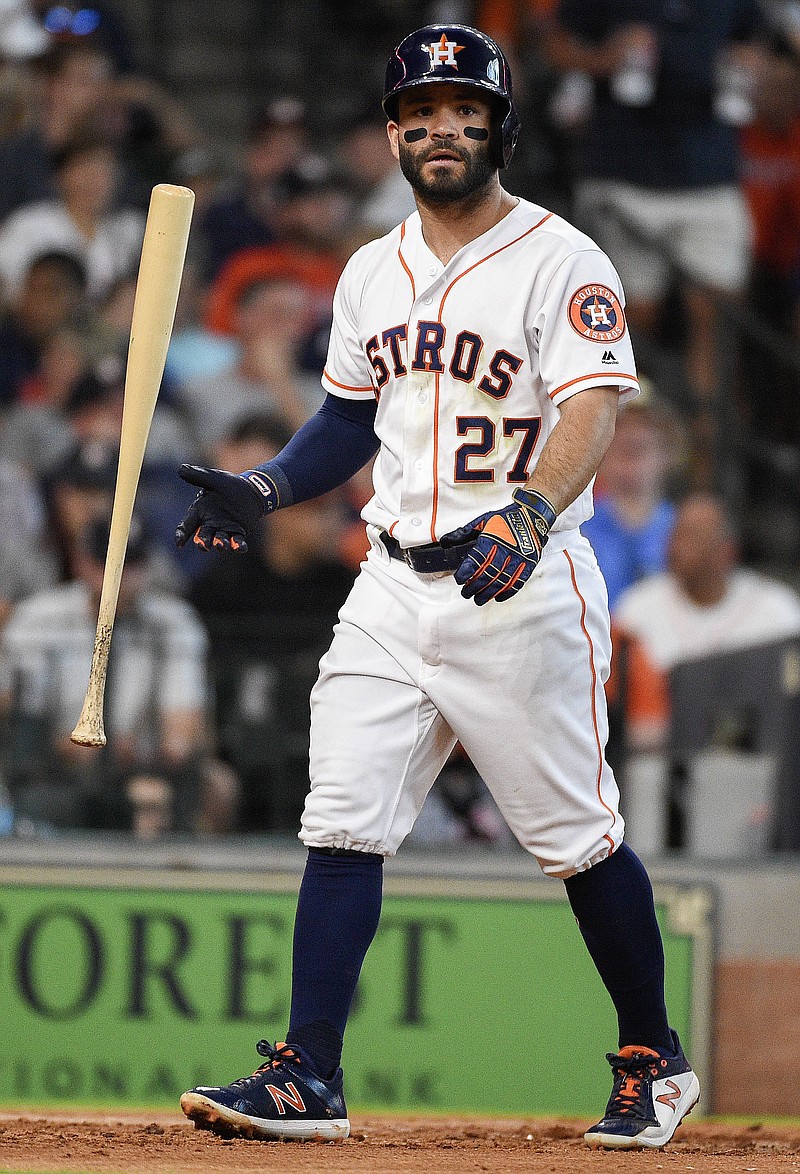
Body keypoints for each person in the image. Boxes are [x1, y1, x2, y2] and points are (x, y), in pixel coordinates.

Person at [175, 24, 699, 1151]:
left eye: (464, 111)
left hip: (518, 576)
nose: (440, 129)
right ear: (392, 136)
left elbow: (591, 408)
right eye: (419, 114)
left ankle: (653, 1057)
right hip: (387, 585)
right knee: (341, 817)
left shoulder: (563, 258)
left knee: (575, 835)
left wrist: (531, 508)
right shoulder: (371, 267)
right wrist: (264, 489)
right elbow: (347, 419)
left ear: (500, 128)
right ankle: (309, 1071)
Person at [0, 511, 238, 835]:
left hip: (138, 769)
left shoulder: (173, 623)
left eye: (131, 565)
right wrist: (77, 750)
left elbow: (183, 731)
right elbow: (23, 722)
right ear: (80, 562)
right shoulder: (39, 619)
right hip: (54, 769)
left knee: (210, 786)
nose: (118, 577)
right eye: (106, 563)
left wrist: (147, 760)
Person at [611, 491, 800, 751]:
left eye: (693, 537)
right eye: (676, 534)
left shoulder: (777, 610)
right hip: (658, 758)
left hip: (754, 758)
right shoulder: (638, 607)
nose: (677, 546)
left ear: (727, 550)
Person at [581, 386, 684, 611]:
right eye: (620, 436)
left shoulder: (685, 530)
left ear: (668, 452)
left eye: (641, 445)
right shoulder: (574, 529)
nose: (632, 435)